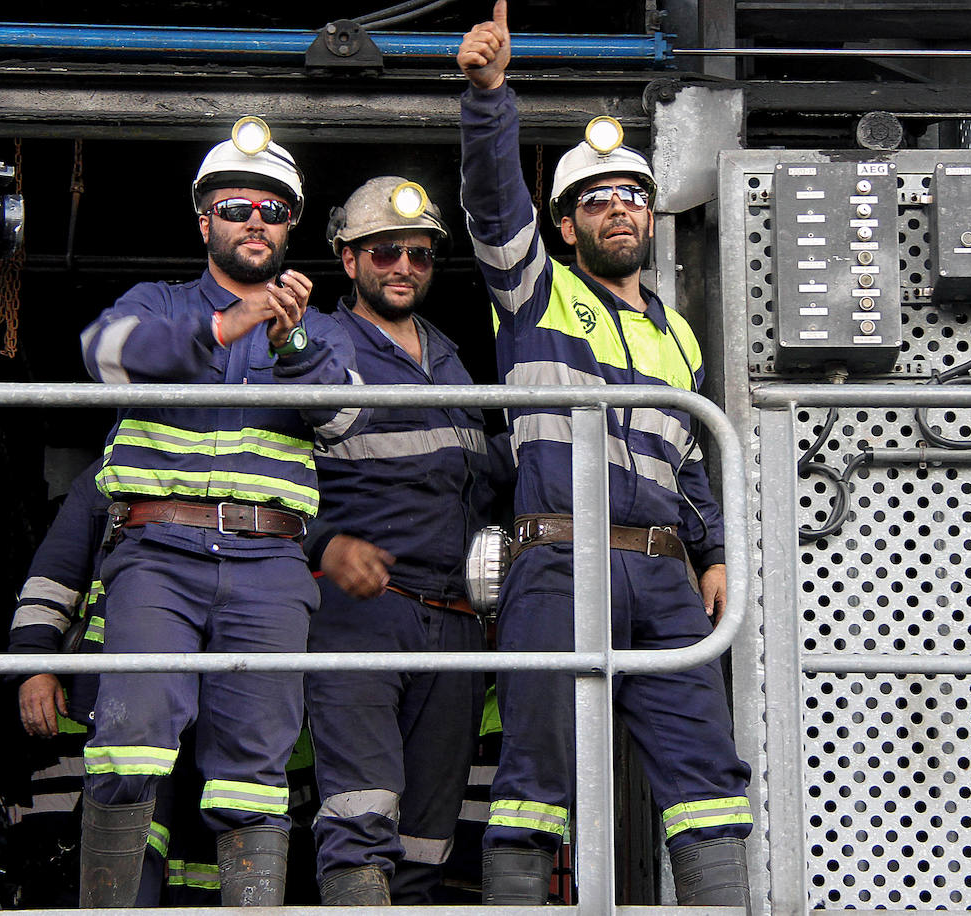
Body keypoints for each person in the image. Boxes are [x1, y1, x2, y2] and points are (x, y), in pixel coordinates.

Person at [456, 4, 754, 907]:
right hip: (559, 560)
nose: (618, 208)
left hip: (663, 576)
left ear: (651, 216)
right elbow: (494, 206)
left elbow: (691, 464)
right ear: (568, 223)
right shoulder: (534, 293)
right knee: (537, 777)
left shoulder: (677, 335)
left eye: (631, 194)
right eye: (596, 199)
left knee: (706, 776)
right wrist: (489, 101)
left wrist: (711, 556)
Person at [77, 119, 367, 908]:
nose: (256, 223)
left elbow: (346, 427)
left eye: (274, 211)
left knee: (255, 770)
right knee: (129, 742)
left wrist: (296, 342)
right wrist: (218, 329)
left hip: (270, 566)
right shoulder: (160, 303)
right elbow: (102, 354)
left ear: (290, 228)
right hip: (156, 554)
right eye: (237, 206)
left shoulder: (322, 328)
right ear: (204, 220)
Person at [302, 176, 502, 904]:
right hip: (365, 612)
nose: (404, 267)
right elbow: (265, 467)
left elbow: (480, 481)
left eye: (419, 255)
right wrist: (322, 543)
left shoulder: (449, 356)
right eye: (384, 251)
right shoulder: (318, 343)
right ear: (346, 259)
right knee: (361, 818)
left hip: (453, 622)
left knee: (427, 836)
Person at [7, 460, 219, 907]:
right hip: (126, 699)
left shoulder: (257, 474)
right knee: (132, 832)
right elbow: (53, 577)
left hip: (223, 703)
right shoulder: (108, 474)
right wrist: (34, 666)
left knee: (208, 856)